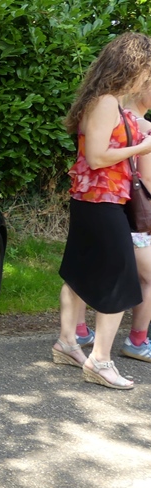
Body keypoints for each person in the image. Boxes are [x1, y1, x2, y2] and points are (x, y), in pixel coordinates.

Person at [52, 32, 151, 390]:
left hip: (94, 200)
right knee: (120, 279)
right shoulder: (106, 102)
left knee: (79, 273)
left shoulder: (106, 102)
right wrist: (142, 148)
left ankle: (67, 344)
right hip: (101, 201)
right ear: (132, 66)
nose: (147, 79)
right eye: (147, 70)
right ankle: (100, 361)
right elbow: (96, 158)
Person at [73, 87, 151, 362]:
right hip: (122, 208)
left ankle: (76, 334)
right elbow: (146, 177)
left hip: (101, 200)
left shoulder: (111, 113)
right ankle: (134, 342)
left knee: (85, 269)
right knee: (134, 277)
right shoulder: (137, 124)